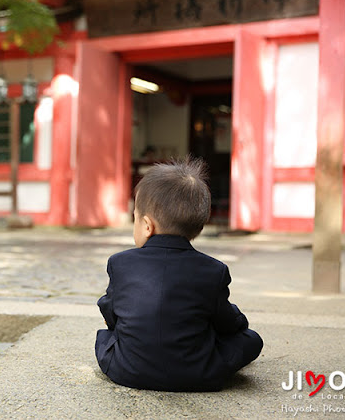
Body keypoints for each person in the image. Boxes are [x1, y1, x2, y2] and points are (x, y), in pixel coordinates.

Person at [95, 157, 263, 391]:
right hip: (198, 375)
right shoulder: (213, 270)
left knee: (104, 336)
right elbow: (225, 321)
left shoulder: (120, 263)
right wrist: (239, 323)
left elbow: (110, 311)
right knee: (252, 340)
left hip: (127, 369)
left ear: (146, 225)